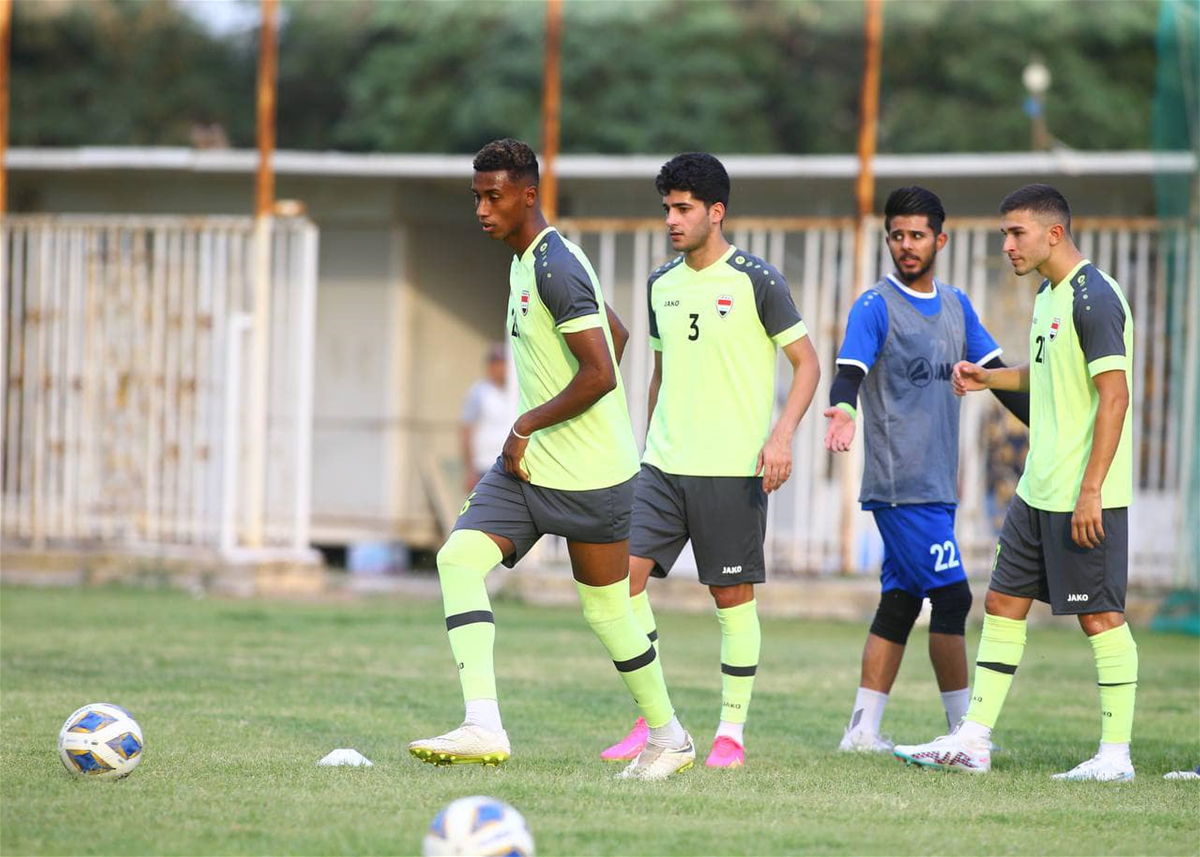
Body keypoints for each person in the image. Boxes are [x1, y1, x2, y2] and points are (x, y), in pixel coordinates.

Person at [408, 138, 695, 781]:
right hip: (529, 470)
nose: (482, 208)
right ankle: (483, 724)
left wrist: (528, 423)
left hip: (594, 477)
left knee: (607, 612)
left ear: (528, 195)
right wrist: (530, 438)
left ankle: (671, 736)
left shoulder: (554, 267)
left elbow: (600, 371)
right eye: (476, 197)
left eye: (494, 196)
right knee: (457, 560)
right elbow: (614, 335)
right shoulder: (523, 261)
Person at [894, 184, 1138, 781]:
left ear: (1053, 234)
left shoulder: (1094, 298)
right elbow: (1050, 376)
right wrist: (989, 378)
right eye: (1005, 233)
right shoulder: (1050, 295)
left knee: (1099, 617)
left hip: (1084, 491)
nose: (1006, 244)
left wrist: (1091, 491)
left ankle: (1115, 757)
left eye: (1016, 232)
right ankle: (973, 740)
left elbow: (1115, 396)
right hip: (1036, 490)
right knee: (1002, 603)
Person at [599, 152, 820, 769]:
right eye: (666, 207)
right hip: (663, 466)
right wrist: (644, 447)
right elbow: (662, 374)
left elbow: (808, 364)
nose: (671, 218)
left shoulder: (757, 279)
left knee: (732, 601)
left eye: (683, 208)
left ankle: (731, 734)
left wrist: (781, 437)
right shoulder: (659, 284)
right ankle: (654, 721)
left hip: (733, 469)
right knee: (622, 583)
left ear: (715, 212)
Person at [824, 187, 1029, 752]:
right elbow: (848, 373)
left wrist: (1049, 423)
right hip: (900, 486)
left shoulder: (958, 306)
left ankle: (862, 730)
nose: (906, 245)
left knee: (901, 600)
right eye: (897, 235)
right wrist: (842, 411)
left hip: (937, 488)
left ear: (940, 239)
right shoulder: (875, 305)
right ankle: (964, 733)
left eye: (916, 235)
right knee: (956, 598)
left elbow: (996, 375)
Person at [460, 344, 514, 493]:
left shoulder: (516, 392)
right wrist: (469, 470)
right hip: (483, 466)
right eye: (496, 363)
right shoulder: (479, 392)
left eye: (503, 363)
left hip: (510, 464)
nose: (500, 368)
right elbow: (466, 432)